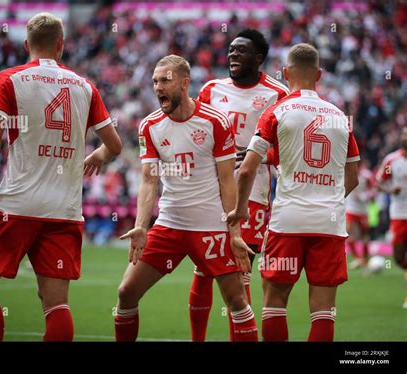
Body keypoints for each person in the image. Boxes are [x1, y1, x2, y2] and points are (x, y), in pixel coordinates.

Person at [0, 12, 122, 341]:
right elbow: (115, 145)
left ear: (27, 44)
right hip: (64, 210)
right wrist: (99, 154)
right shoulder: (85, 86)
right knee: (56, 306)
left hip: (17, 203)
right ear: (61, 46)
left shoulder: (10, 79)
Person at [116, 55, 258, 342]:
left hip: (210, 225)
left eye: (165, 80)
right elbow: (149, 179)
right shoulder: (149, 126)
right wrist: (142, 225)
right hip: (170, 223)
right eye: (155, 81)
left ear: (184, 83)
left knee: (237, 301)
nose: (158, 87)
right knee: (126, 292)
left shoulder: (215, 122)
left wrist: (234, 232)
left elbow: (227, 180)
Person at [227, 43, 360, 341]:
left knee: (275, 303)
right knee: (324, 310)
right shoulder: (340, 116)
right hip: (329, 223)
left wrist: (238, 211)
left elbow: (247, 169)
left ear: (286, 73)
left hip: (288, 222)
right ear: (320, 74)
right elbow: (352, 176)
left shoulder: (277, 110)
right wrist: (330, 202)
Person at [190, 28, 289, 341]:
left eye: (240, 51)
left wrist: (261, 154)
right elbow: (195, 130)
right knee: (203, 271)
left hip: (252, 195)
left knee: (239, 272)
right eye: (230, 50)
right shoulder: (210, 89)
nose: (232, 55)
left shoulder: (278, 94)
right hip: (211, 191)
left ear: (258, 59)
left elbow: (288, 148)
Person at [376, 127, 407, 308]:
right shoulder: (392, 160)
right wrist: (390, 189)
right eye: (403, 134)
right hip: (398, 214)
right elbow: (379, 181)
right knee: (397, 257)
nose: (404, 137)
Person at [346, 160, 375, 269]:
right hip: (351, 209)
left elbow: (374, 189)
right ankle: (358, 258)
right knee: (347, 233)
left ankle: (365, 259)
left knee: (365, 235)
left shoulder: (367, 175)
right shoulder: (347, 172)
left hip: (363, 210)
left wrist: (364, 196)